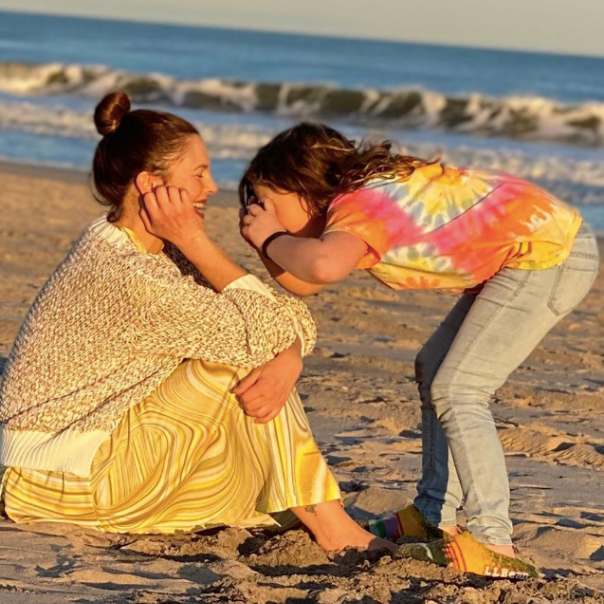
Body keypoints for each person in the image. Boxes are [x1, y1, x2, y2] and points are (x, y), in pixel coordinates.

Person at [0, 97, 389, 553]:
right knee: (233, 367)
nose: (211, 188)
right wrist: (196, 240)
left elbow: (283, 320)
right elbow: (263, 332)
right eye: (198, 174)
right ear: (150, 185)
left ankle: (322, 518)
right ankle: (336, 532)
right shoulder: (128, 274)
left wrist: (290, 356)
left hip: (82, 459)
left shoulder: (150, 251)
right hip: (50, 480)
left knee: (257, 402)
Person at [237, 122, 599, 577]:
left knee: (460, 388)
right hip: (521, 255)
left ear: (304, 187)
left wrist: (271, 237)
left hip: (549, 253)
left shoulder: (361, 206)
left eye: (267, 201)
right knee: (434, 367)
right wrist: (268, 242)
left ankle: (494, 543)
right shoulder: (352, 204)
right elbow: (306, 283)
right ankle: (433, 517)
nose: (260, 211)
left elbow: (323, 267)